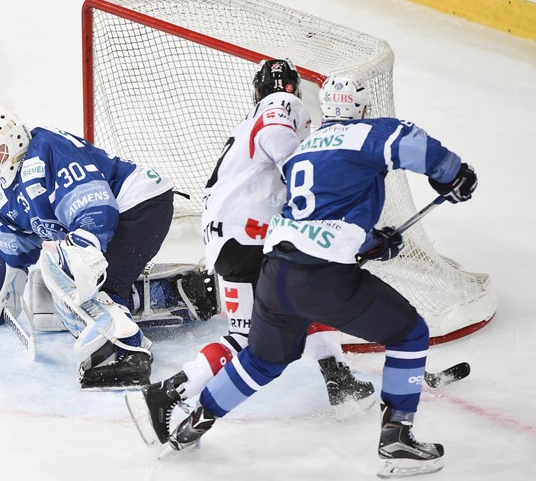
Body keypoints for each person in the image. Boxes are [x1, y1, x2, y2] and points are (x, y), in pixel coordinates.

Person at [163, 75, 478, 478]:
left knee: (261, 361)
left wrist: (369, 242)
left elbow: (318, 213)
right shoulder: (366, 132)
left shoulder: (304, 149)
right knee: (409, 333)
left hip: (275, 272)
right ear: (362, 108)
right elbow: (416, 145)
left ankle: (192, 426)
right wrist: (453, 174)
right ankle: (397, 439)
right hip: (321, 275)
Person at [125, 60, 375, 447]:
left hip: (227, 241)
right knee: (310, 289)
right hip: (253, 235)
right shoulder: (282, 104)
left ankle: (166, 394)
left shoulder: (248, 121)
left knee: (245, 336)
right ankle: (337, 377)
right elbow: (285, 146)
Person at [0, 106, 177, 390]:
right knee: (52, 291)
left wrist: (84, 250)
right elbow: (10, 233)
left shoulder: (47, 148)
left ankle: (130, 350)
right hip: (115, 215)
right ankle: (170, 292)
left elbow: (93, 202)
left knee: (92, 282)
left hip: (140, 204)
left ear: (16, 142)